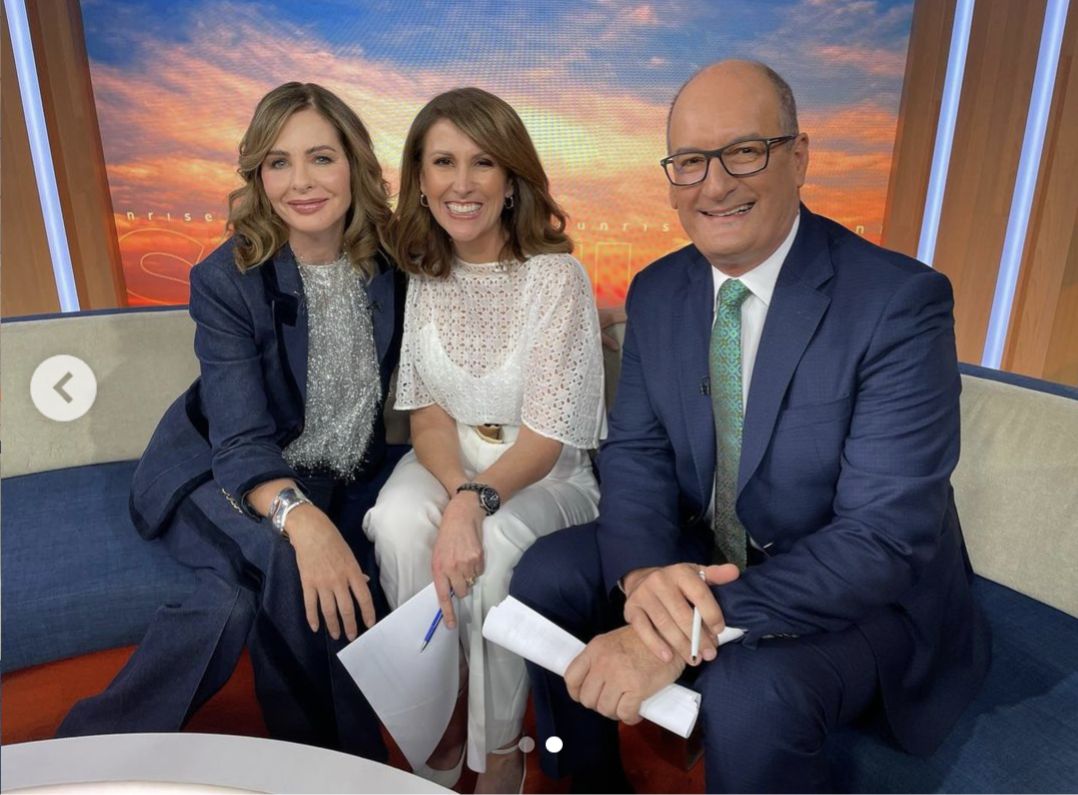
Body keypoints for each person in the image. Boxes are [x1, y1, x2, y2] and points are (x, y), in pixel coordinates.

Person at [510, 59, 992, 793]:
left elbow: (884, 537)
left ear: (798, 157)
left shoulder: (898, 303)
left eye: (744, 151)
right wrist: (644, 577)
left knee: (750, 691)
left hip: (863, 592)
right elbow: (637, 453)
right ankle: (586, 777)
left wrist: (676, 627)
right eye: (690, 161)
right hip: (713, 552)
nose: (714, 185)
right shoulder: (658, 291)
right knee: (544, 575)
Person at [58, 82, 405, 761]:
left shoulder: (391, 265)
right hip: (215, 467)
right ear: (258, 176)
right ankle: (329, 764)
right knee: (287, 562)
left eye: (321, 158)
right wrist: (307, 522)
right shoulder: (228, 278)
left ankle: (84, 753)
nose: (300, 182)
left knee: (231, 601)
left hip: (331, 472)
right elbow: (241, 440)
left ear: (355, 164)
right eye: (278, 162)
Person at [363, 87, 605, 793]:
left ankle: (500, 746)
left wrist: (471, 504)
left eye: (483, 162)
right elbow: (429, 418)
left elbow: (547, 439)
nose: (461, 183)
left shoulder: (557, 277)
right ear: (420, 178)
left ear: (511, 180)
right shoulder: (425, 274)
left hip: (544, 471)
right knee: (399, 521)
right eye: (443, 162)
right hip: (449, 457)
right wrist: (454, 494)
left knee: (493, 551)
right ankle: (437, 710)